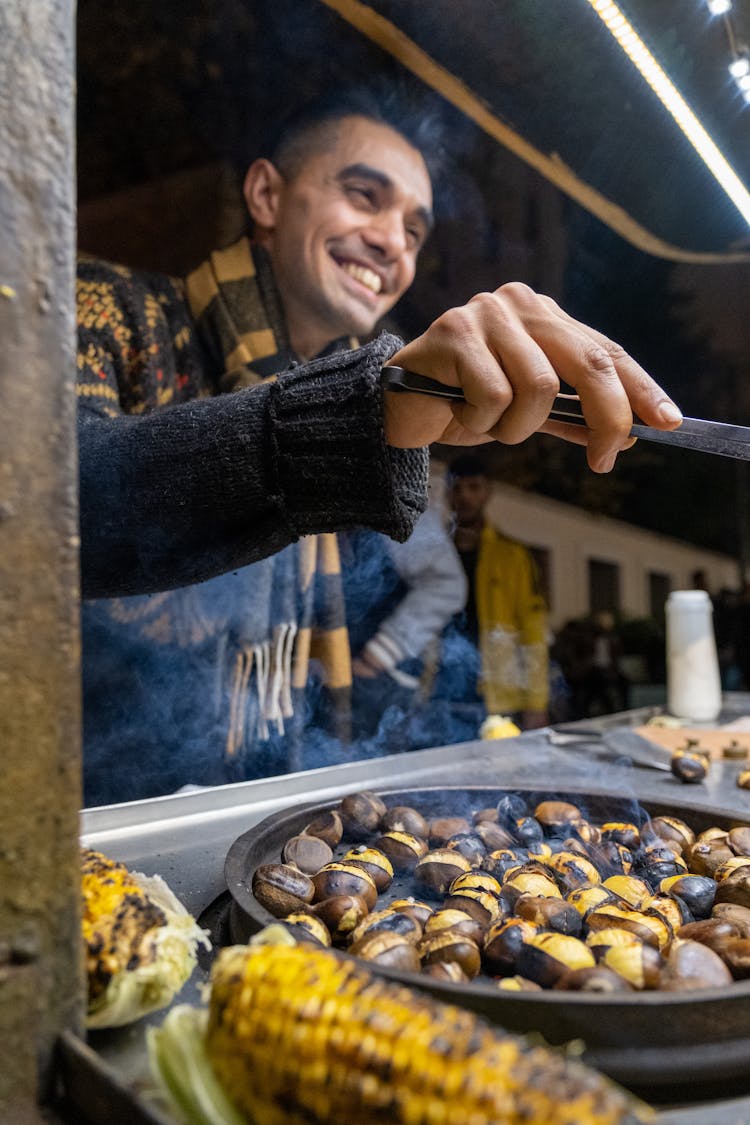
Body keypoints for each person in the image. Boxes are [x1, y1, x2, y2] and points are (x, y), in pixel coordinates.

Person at [77, 83, 683, 803]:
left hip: (252, 823)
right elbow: (45, 504)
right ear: (267, 196)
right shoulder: (104, 309)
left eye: (416, 230)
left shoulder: (377, 430)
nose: (393, 241)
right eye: (365, 195)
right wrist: (352, 417)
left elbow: (410, 588)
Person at [436, 453, 549, 733]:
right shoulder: (432, 552)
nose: (464, 496)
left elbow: (533, 631)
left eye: (473, 487)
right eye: (457, 488)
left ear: (488, 492)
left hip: (498, 693)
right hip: (440, 689)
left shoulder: (513, 555)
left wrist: (537, 701)